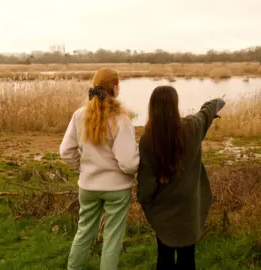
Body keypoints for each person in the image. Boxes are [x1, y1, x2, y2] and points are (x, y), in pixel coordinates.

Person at [137, 85, 225, 270]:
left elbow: (146, 182)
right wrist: (219, 102)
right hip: (189, 206)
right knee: (187, 259)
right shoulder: (192, 127)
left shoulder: (147, 139)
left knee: (165, 257)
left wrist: (145, 203)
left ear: (152, 107)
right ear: (176, 105)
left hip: (163, 208)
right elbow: (207, 111)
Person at [60, 68, 139, 270]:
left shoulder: (79, 116)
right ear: (114, 88)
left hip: (88, 187)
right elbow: (129, 163)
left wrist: (84, 168)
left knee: (84, 232)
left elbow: (66, 151)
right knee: (112, 239)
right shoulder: (121, 120)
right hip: (117, 190)